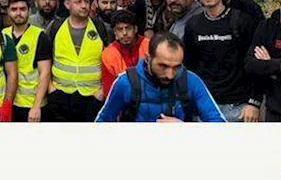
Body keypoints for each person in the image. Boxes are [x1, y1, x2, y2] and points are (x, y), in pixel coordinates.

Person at [182, 0, 262, 123]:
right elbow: (189, 66)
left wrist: (254, 102)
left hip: (239, 106)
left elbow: (256, 64)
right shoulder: (193, 24)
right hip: (205, 105)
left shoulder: (242, 21)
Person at [96, 34, 227, 122]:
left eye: (176, 67)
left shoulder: (191, 81)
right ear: (148, 58)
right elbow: (102, 123)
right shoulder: (126, 83)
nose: (170, 74)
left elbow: (219, 124)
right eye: (163, 66)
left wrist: (185, 129)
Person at [43, 0, 109, 122]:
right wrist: (51, 89)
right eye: (78, 2)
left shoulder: (101, 28)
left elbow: (110, 61)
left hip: (92, 96)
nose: (84, 6)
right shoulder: (55, 27)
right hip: (60, 94)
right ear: (67, 4)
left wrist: (102, 91)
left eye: (86, 1)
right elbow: (45, 59)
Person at [1, 0, 52, 122]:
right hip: (7, 102)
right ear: (8, 11)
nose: (18, 13)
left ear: (29, 11)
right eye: (14, 9)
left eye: (22, 9)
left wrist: (36, 106)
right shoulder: (2, 35)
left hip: (31, 104)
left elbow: (45, 73)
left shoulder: (40, 36)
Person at [101, 10, 148, 98]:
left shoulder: (149, 46)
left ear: (135, 29)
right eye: (120, 29)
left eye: (128, 28)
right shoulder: (108, 54)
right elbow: (109, 91)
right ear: (115, 32)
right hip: (123, 103)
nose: (124, 33)